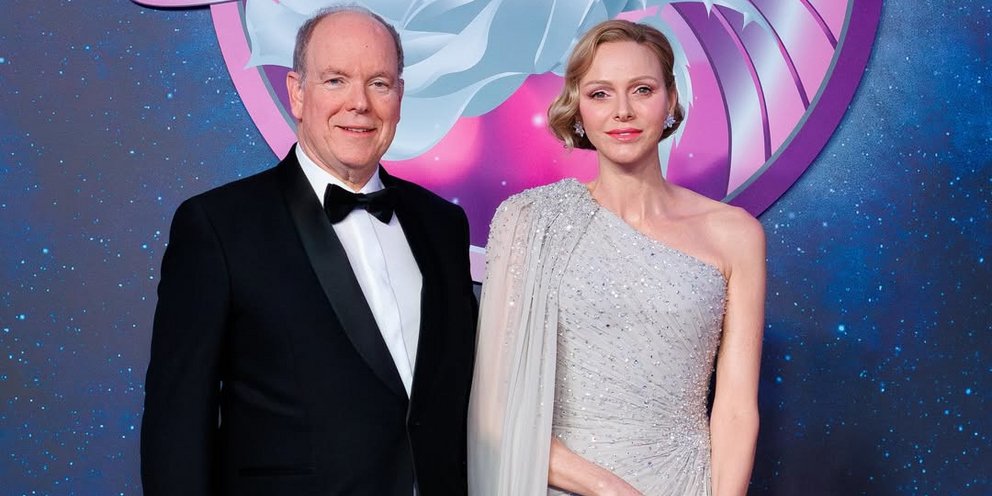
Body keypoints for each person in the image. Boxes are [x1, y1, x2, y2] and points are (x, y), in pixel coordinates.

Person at [140, 7, 477, 496]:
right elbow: (176, 427)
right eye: (336, 80)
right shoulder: (218, 226)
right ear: (297, 93)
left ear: (400, 96)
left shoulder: (442, 225)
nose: (359, 103)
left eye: (379, 83)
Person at [467, 19, 764, 496]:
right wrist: (611, 489)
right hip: (563, 484)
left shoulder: (736, 234)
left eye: (642, 90)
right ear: (578, 107)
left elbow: (735, 409)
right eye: (601, 94)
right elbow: (495, 412)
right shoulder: (529, 221)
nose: (622, 111)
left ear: (670, 100)